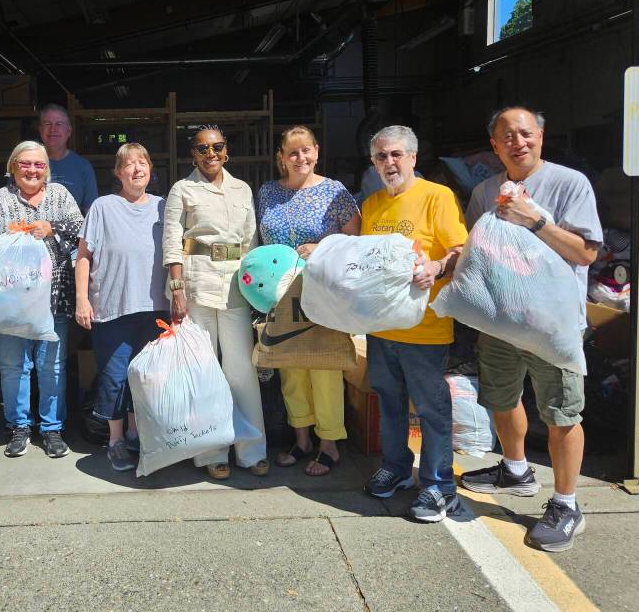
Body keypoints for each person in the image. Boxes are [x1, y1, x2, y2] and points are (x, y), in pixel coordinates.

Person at [460, 107, 601, 552]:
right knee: (501, 397)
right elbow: (475, 249)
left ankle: (566, 504)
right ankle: (515, 469)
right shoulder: (484, 190)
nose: (518, 142)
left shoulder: (569, 183)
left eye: (525, 133)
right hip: (502, 319)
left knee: (560, 412)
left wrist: (532, 219)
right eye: (507, 136)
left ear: (541, 135)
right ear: (495, 146)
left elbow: (585, 254)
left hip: (551, 324)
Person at [360, 125, 467, 523]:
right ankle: (397, 468)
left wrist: (438, 267)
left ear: (413, 158)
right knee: (389, 405)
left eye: (396, 155)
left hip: (425, 329)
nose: (389, 163)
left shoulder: (436, 197)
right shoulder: (371, 206)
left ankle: (440, 486)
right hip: (382, 329)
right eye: (381, 156)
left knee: (430, 408)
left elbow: (461, 251)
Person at [163, 125, 268, 480]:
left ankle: (251, 449)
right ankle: (210, 450)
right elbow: (173, 241)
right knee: (204, 371)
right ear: (192, 154)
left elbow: (251, 241)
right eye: (202, 149)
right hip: (196, 284)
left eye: (217, 147)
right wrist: (177, 288)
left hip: (236, 285)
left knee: (240, 368)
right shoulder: (183, 189)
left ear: (226, 151)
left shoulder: (242, 189)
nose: (210, 155)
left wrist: (258, 288)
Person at [257, 126, 361, 476]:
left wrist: (321, 247)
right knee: (290, 365)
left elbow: (356, 240)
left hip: (324, 292)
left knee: (324, 365)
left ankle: (329, 445)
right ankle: (301, 440)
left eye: (307, 151)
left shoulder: (335, 191)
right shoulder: (268, 192)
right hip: (281, 294)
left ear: (316, 150)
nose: (301, 158)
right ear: (281, 157)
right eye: (293, 153)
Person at [0, 140, 83, 458]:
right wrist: (7, 237)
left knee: (52, 366)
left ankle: (51, 429)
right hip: (9, 302)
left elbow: (82, 232)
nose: (32, 170)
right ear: (12, 167)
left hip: (53, 296)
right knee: (13, 366)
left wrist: (52, 227)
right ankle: (18, 427)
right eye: (25, 164)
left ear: (47, 170)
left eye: (39, 165)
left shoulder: (61, 196)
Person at [75, 143, 169, 472]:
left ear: (150, 169)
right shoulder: (103, 207)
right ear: (119, 173)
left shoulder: (163, 207)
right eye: (129, 165)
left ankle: (133, 434)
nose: (137, 169)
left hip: (155, 309)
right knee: (114, 378)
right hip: (111, 309)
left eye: (142, 162)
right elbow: (83, 257)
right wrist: (82, 299)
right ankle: (114, 441)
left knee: (144, 379)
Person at [39, 103, 98, 214]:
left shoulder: (83, 167)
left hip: (70, 230)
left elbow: (90, 212)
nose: (53, 129)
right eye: (48, 124)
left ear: (69, 131)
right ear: (40, 130)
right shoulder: (26, 165)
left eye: (59, 124)